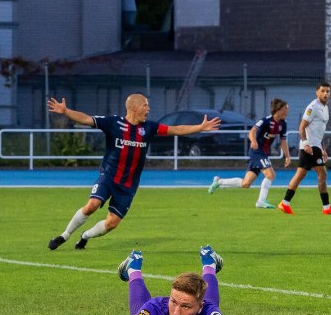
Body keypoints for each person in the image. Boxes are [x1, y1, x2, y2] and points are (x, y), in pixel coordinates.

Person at [46, 94, 220, 250]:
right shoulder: (113, 123)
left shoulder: (149, 128)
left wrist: (199, 127)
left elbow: (175, 130)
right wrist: (65, 111)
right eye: (145, 105)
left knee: (112, 223)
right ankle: (64, 235)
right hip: (108, 177)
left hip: (128, 185)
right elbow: (86, 119)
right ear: (134, 107)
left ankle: (85, 236)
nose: (149, 109)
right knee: (91, 205)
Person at [114, 245, 238, 315]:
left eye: (185, 306)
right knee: (139, 311)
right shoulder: (154, 309)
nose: (176, 313)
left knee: (210, 303)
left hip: (203, 308)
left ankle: (209, 262)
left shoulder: (208, 314)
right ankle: (133, 267)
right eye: (173, 302)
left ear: (200, 307)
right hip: (154, 312)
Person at [209, 98, 291, 208]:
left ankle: (219, 181)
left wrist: (287, 156)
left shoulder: (283, 124)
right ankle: (261, 201)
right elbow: (252, 131)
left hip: (263, 154)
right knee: (270, 174)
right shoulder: (265, 121)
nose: (287, 111)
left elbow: (283, 141)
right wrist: (253, 141)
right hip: (257, 152)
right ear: (278, 109)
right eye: (286, 108)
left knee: (246, 183)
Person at [277, 81, 331, 215]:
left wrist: (322, 148)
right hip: (310, 147)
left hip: (315, 146)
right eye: (323, 91)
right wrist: (306, 143)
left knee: (301, 174)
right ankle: (326, 207)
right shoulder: (313, 107)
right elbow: (301, 127)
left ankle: (285, 203)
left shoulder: (325, 107)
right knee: (322, 174)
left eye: (328, 91)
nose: (325, 93)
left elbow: (319, 130)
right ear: (317, 92)